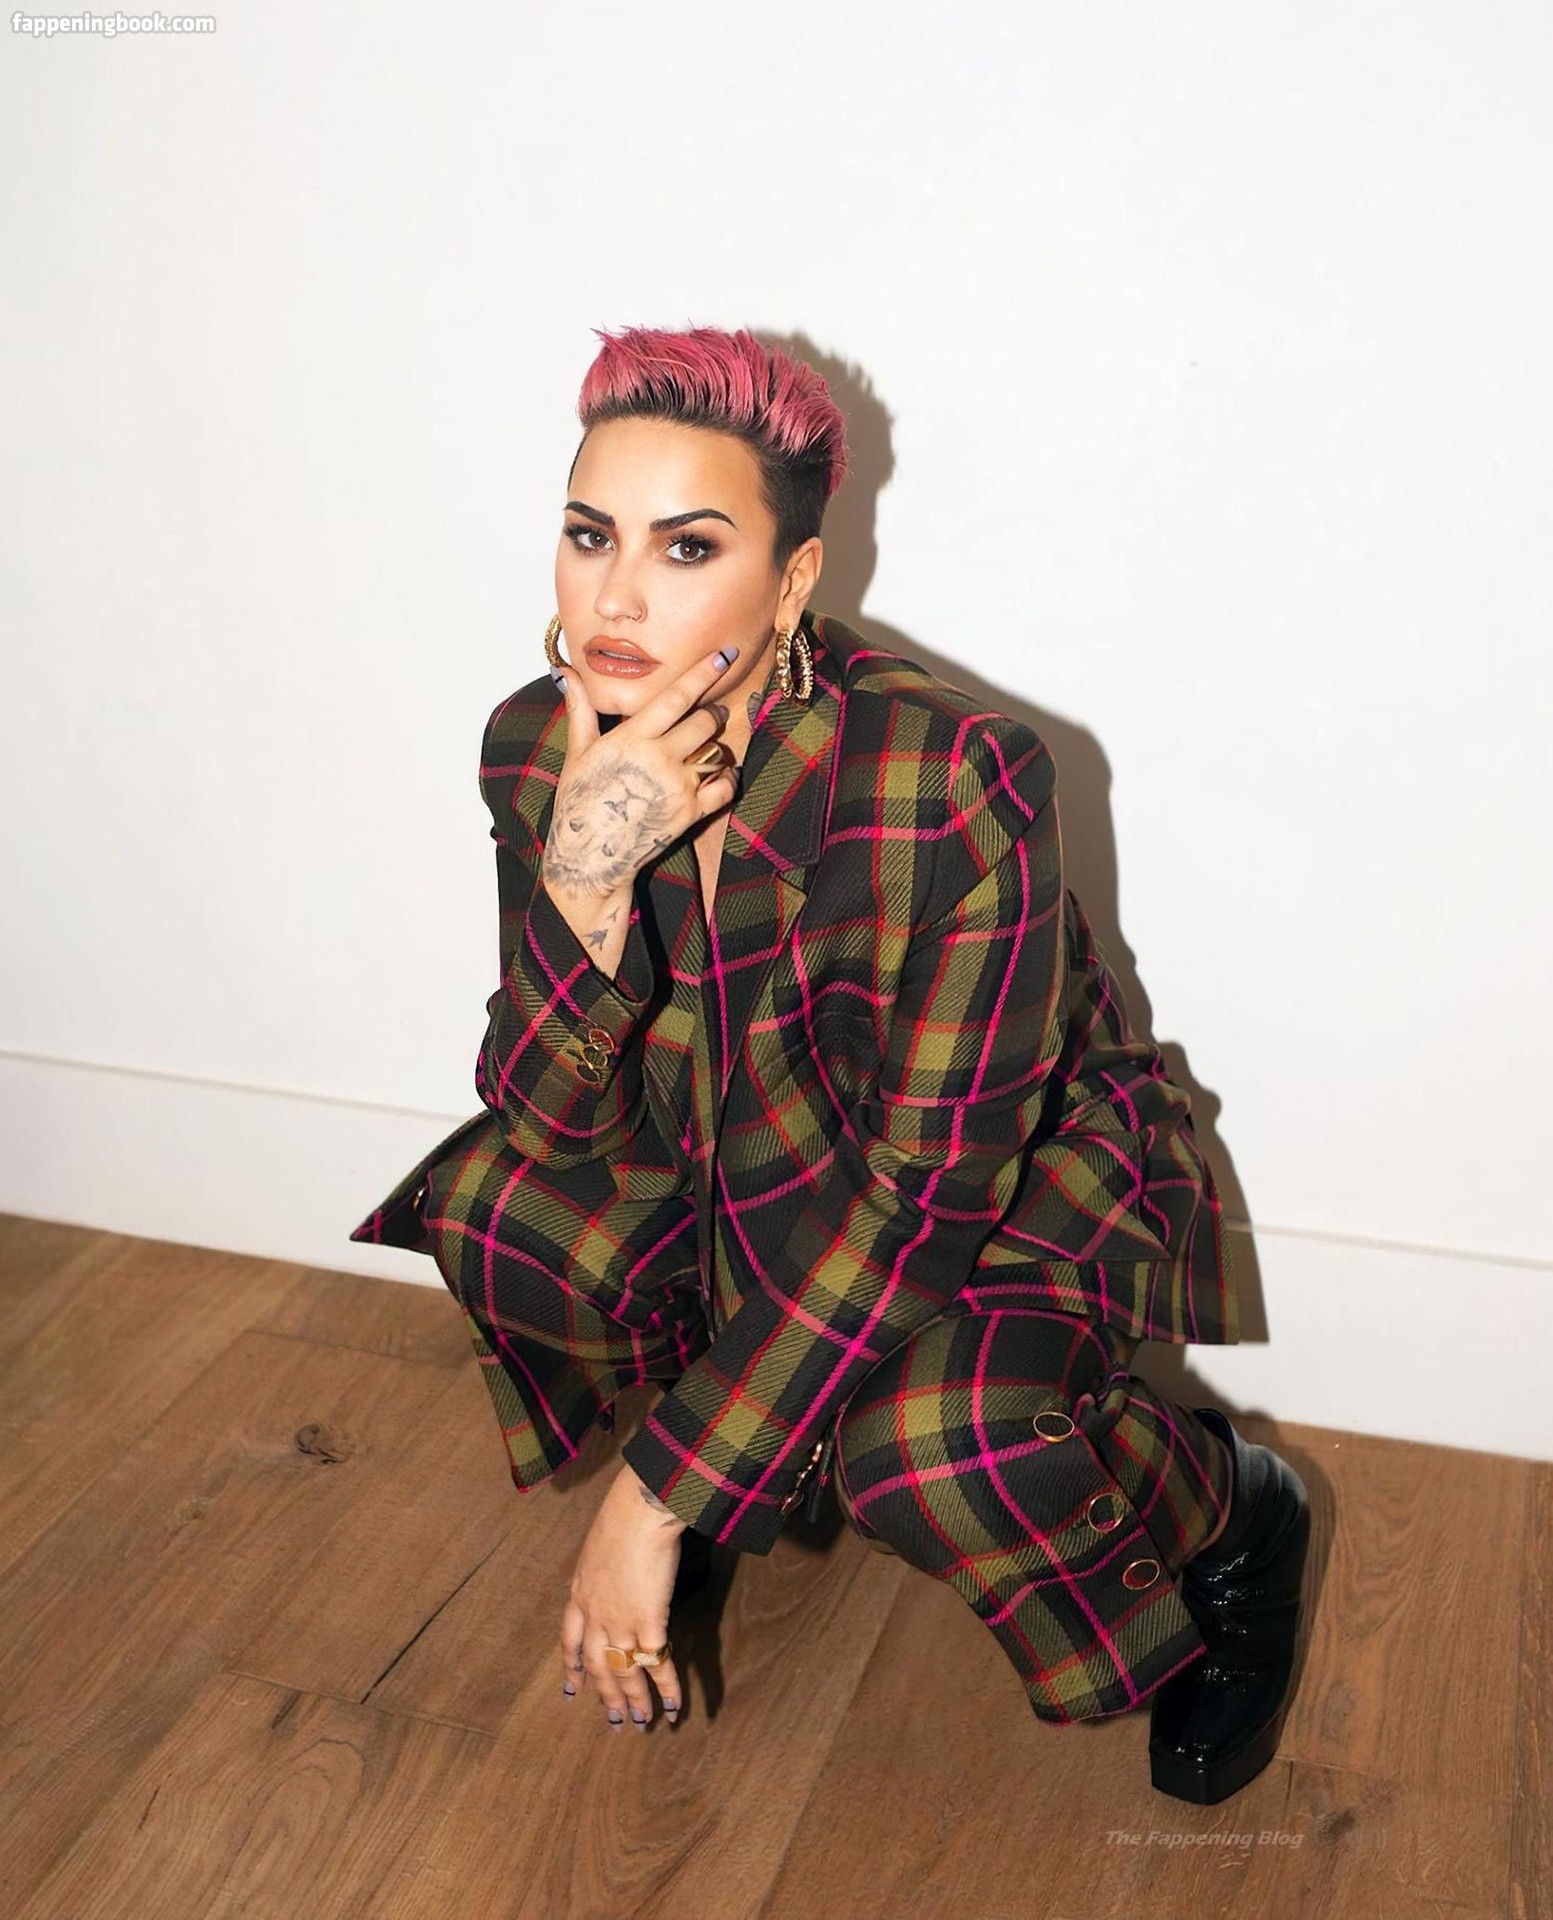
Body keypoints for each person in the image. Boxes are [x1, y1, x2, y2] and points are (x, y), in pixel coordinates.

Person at [348, 323, 1310, 1805]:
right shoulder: (537, 748)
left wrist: (650, 1496)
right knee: (501, 1216)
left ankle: (1231, 1515)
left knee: (933, 1444)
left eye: (686, 547)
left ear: (792, 580)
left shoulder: (949, 776)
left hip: (995, 1171)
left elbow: (926, 1195)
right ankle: (747, 1436)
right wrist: (585, 875)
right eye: (591, 534)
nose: (616, 596)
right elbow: (546, 1115)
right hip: (743, 1142)